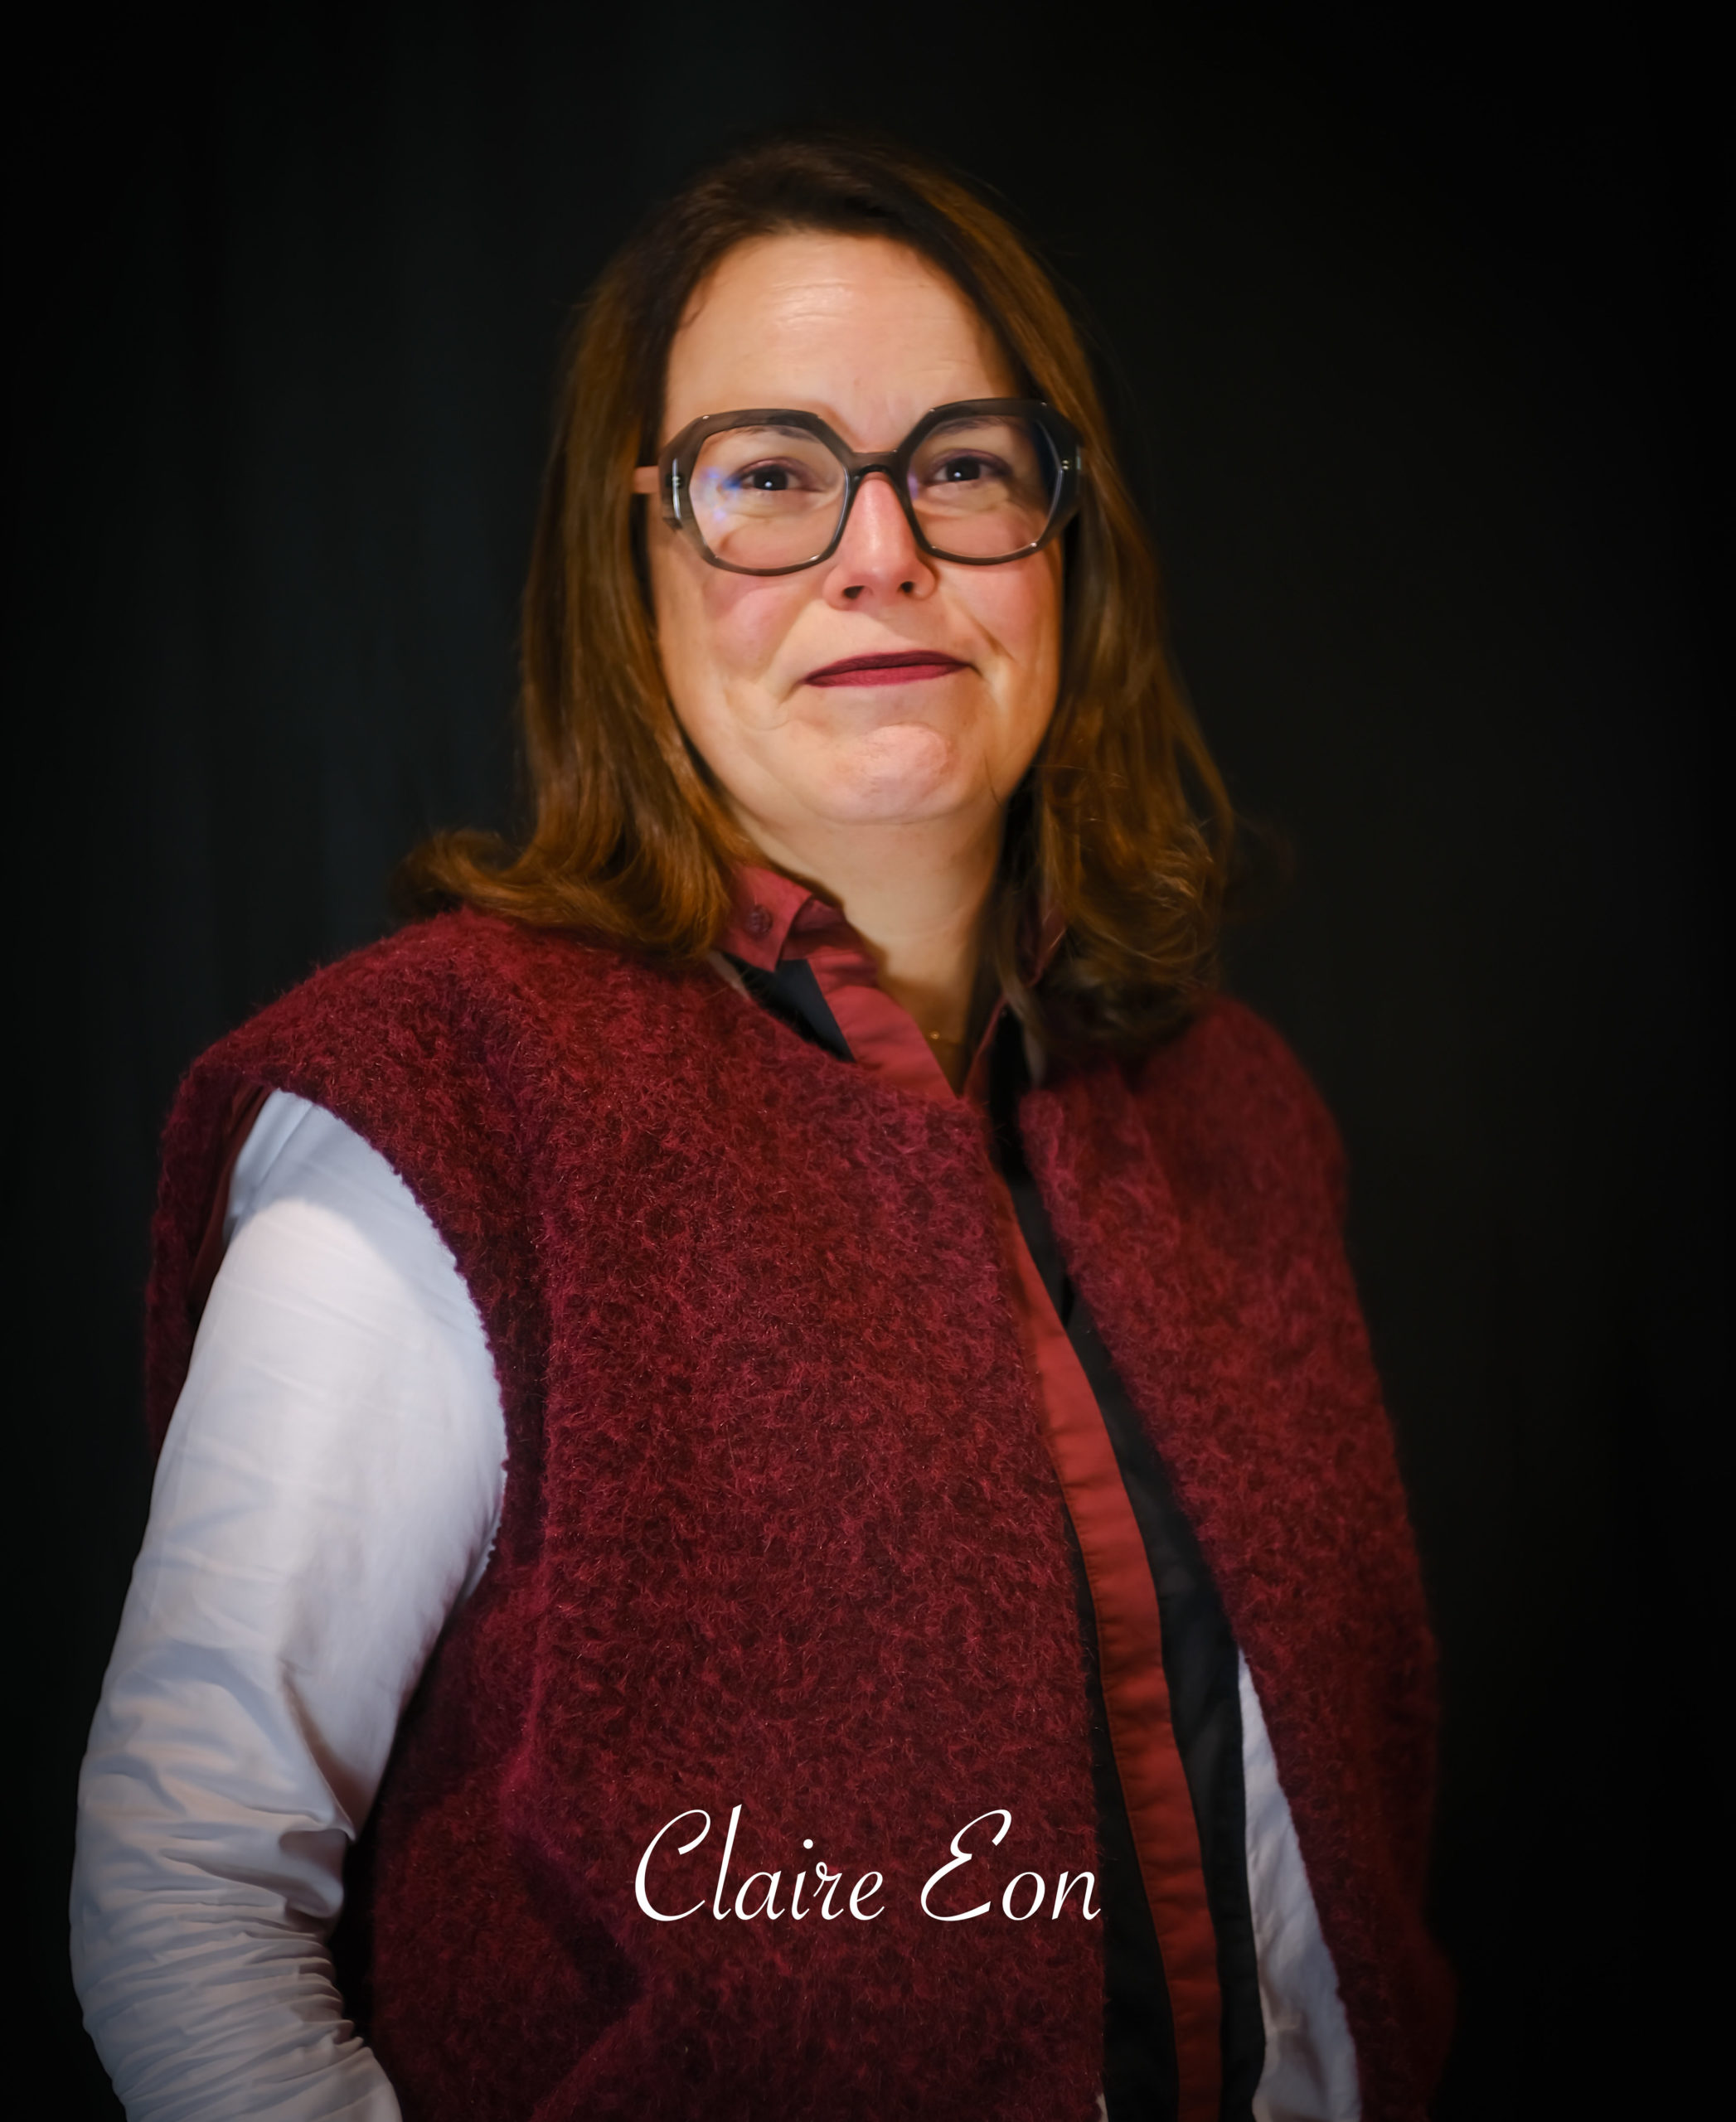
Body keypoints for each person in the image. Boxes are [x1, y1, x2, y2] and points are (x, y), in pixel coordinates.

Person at [71, 132, 1452, 2122]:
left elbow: (1327, 1903)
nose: (882, 551)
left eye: (961, 465)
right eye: (770, 478)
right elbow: (186, 1887)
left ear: (1064, 543)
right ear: (629, 578)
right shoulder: (448, 1102)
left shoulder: (1238, 1113)